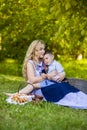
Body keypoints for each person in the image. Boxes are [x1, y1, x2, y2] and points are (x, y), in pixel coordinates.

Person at [4, 40, 87, 109]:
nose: (43, 51)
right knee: (60, 87)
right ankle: (15, 94)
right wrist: (47, 76)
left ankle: (81, 99)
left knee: (64, 85)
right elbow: (32, 80)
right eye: (40, 49)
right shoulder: (31, 63)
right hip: (39, 88)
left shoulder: (44, 61)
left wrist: (62, 74)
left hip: (48, 84)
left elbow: (57, 69)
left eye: (43, 49)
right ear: (34, 51)